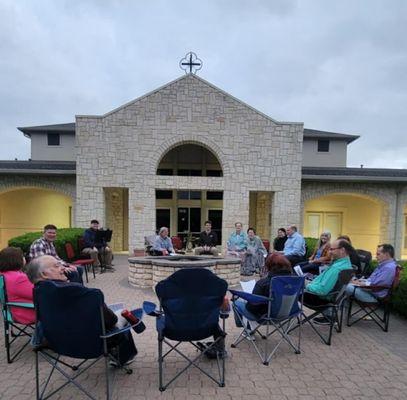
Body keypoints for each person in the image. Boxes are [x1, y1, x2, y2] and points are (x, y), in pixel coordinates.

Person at [26, 255, 137, 365]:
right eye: (56, 266)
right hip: (93, 345)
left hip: (58, 344)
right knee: (122, 314)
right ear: (44, 274)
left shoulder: (39, 292)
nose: (63, 268)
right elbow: (111, 320)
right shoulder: (85, 294)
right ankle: (123, 357)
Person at [304, 239, 354, 324]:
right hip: (332, 299)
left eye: (332, 249)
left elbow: (322, 290)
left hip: (321, 300)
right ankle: (329, 316)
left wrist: (306, 285)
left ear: (342, 250)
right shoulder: (347, 265)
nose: (329, 252)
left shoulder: (336, 268)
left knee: (291, 289)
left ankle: (283, 316)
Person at [0, 247, 35, 324]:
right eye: (22, 256)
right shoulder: (19, 278)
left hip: (11, 312)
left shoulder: (3, 275)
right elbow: (37, 293)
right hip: (27, 312)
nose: (24, 258)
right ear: (17, 260)